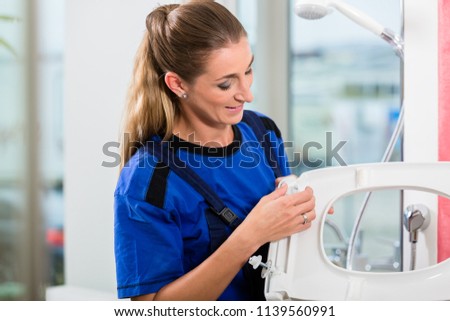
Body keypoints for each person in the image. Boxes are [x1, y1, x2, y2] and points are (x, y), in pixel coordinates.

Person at [114, 0, 316, 301]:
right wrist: (250, 236)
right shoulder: (148, 179)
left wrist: (306, 212)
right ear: (177, 83)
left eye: (248, 71)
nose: (247, 93)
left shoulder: (262, 132)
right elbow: (150, 310)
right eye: (225, 84)